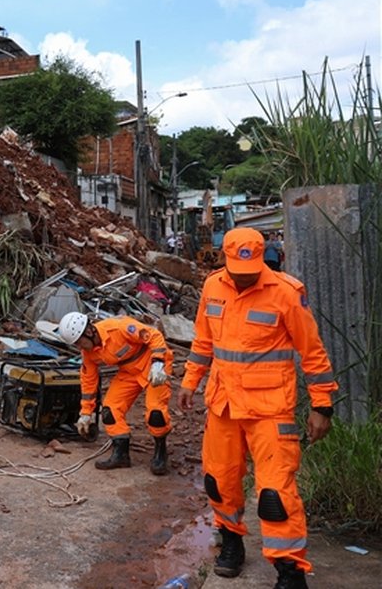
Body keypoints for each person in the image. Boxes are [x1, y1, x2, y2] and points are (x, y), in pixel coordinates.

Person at [179, 227, 335, 589]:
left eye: (250, 272)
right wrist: (189, 381)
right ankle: (231, 542)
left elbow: (311, 352)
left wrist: (322, 404)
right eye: (236, 271)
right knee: (219, 481)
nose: (243, 278)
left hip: (270, 408)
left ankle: (290, 570)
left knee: (275, 493)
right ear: (225, 260)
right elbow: (204, 341)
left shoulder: (286, 292)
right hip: (223, 405)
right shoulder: (213, 287)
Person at [56, 312, 175, 474]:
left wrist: (158, 362)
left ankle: (161, 452)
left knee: (156, 412)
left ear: (89, 332)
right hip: (128, 372)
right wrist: (86, 412)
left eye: (79, 342)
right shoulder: (88, 353)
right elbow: (88, 380)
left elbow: (154, 335)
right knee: (110, 410)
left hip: (153, 365)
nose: (79, 347)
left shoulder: (119, 328)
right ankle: (121, 454)